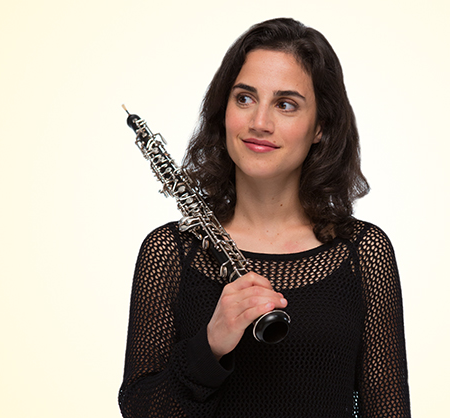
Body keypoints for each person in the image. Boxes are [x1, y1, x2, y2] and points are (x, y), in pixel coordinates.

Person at [118, 18, 411, 417]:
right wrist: (210, 345)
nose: (259, 123)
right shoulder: (170, 252)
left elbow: (389, 410)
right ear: (224, 110)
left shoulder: (362, 253)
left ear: (320, 126)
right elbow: (139, 408)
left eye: (285, 104)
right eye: (244, 98)